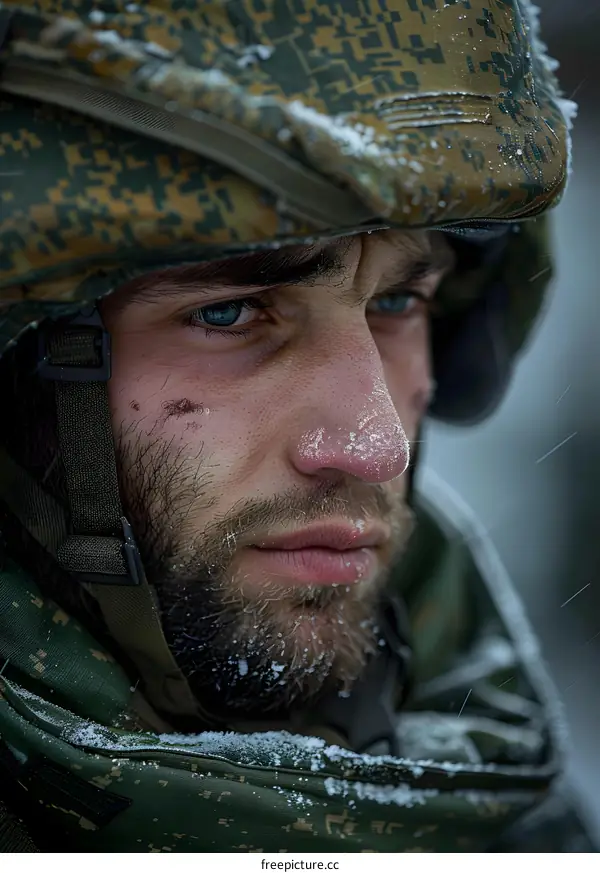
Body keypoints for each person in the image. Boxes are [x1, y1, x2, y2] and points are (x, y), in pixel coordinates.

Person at [0, 0, 595, 853]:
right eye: (231, 312)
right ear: (25, 363)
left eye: (396, 302)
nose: (374, 445)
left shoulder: (502, 795)